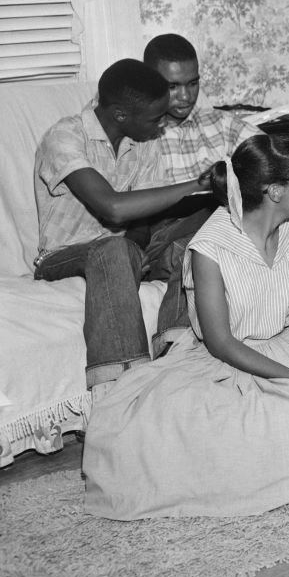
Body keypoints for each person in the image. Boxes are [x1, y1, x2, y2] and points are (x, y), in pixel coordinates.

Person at [82, 132, 289, 520]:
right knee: (242, 437)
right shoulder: (209, 247)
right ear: (275, 191)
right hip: (230, 360)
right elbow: (222, 343)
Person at [141, 33, 289, 351]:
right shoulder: (142, 134)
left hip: (235, 220)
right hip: (174, 235)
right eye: (172, 86)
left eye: (192, 83)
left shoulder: (221, 123)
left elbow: (272, 158)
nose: (185, 96)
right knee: (211, 221)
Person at [33, 59, 210, 390]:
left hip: (123, 245)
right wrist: (196, 184)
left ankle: (178, 356)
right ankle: (120, 387)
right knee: (113, 249)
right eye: (156, 119)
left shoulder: (141, 142)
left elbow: (139, 216)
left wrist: (138, 245)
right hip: (64, 255)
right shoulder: (64, 137)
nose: (161, 126)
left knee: (201, 240)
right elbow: (113, 208)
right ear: (120, 115)